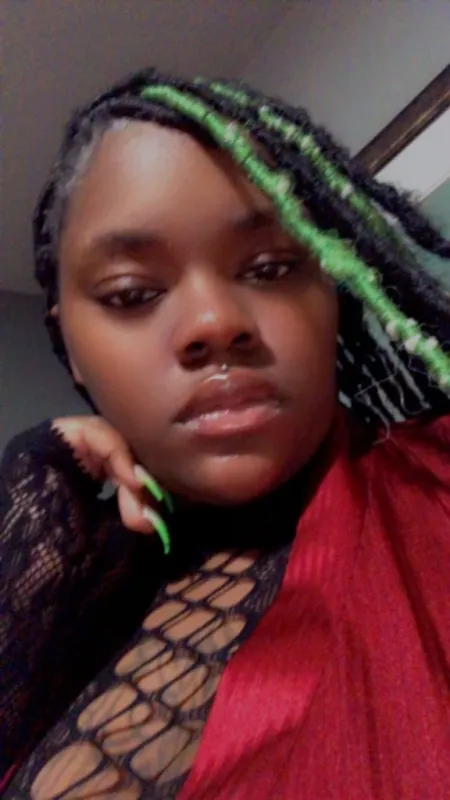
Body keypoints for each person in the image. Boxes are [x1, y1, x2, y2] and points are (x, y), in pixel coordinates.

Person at [1, 67, 450, 799]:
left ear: (332, 291)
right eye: (133, 293)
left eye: (271, 267)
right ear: (72, 348)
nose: (214, 323)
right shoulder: (66, 595)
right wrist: (32, 513)